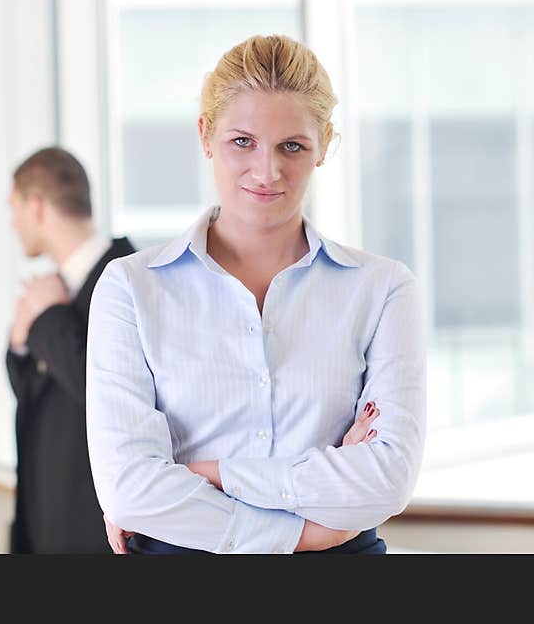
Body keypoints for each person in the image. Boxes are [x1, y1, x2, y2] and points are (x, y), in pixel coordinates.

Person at [87, 35, 427, 554]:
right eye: (242, 141)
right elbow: (130, 488)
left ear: (325, 145)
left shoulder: (382, 290)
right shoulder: (131, 288)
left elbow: (388, 477)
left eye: (292, 146)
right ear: (205, 135)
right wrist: (304, 533)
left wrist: (210, 474)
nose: (267, 171)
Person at [6, 147, 135, 553]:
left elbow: (106, 395)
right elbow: (37, 399)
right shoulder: (53, 286)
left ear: (38, 207)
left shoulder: (130, 278)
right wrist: (20, 343)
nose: (11, 223)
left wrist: (50, 319)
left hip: (97, 535)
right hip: (47, 525)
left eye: (15, 208)